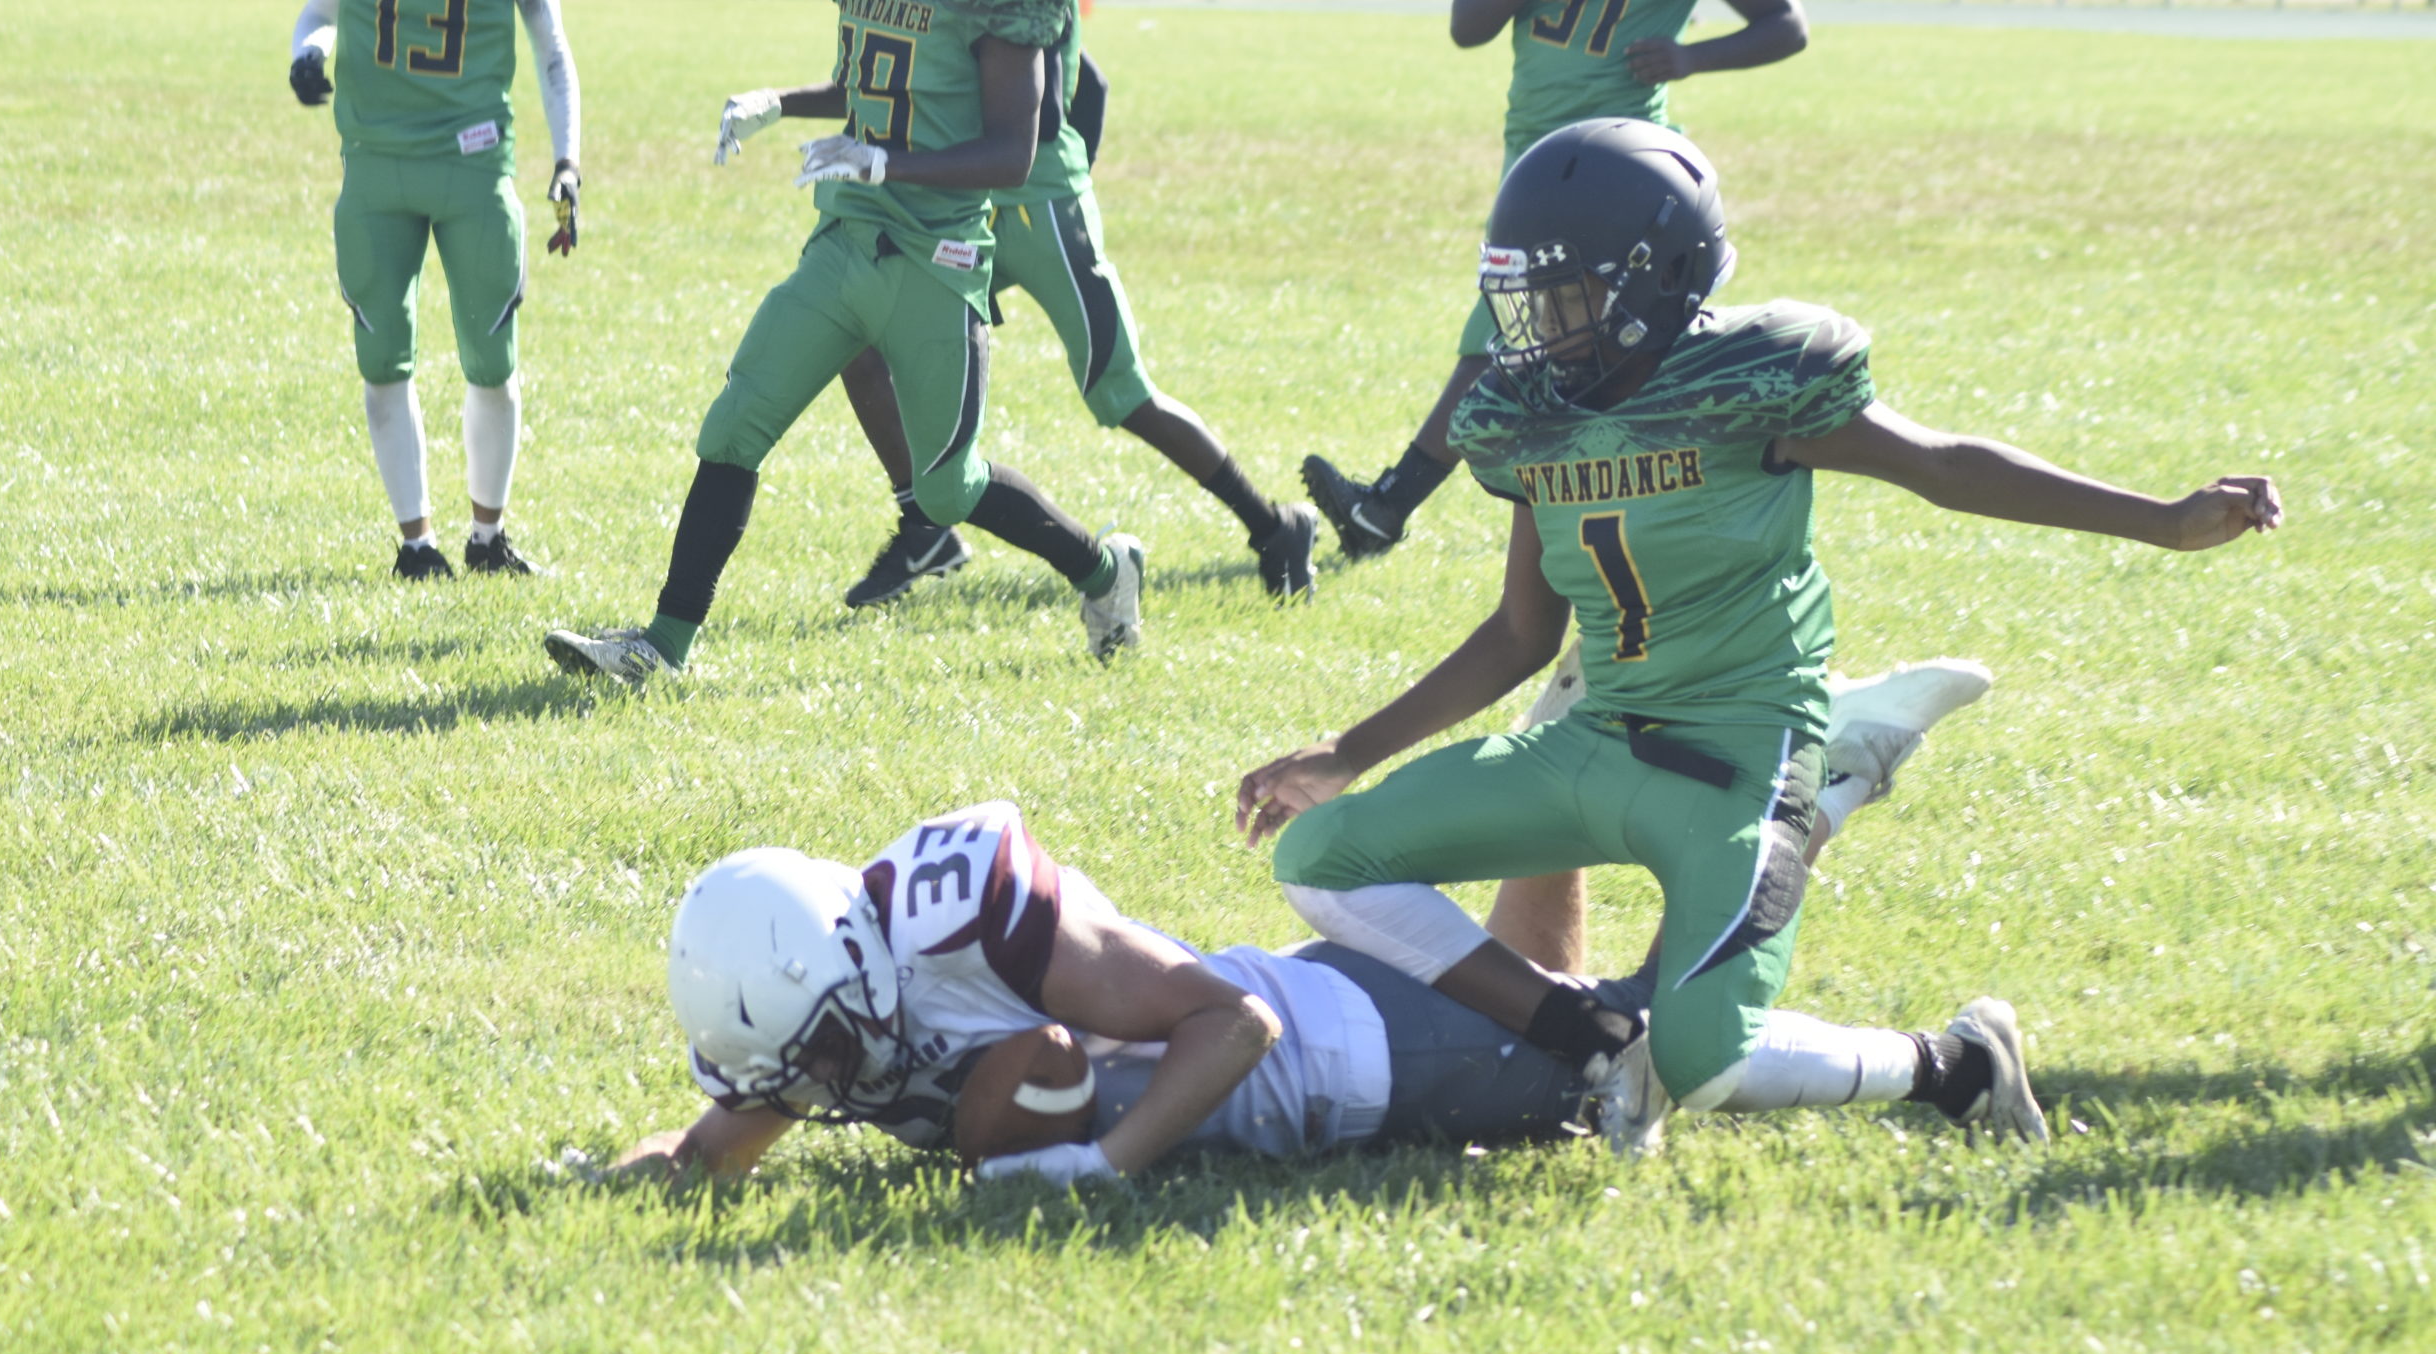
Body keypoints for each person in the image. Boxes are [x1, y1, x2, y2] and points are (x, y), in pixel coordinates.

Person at [1239, 119, 2282, 1154]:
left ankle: (1957, 1063)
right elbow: (1522, 632)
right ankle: (1601, 1042)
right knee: (1323, 857)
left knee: (1711, 1063)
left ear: (1658, 281)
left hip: (1739, 759)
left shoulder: (1751, 383)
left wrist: (2160, 519)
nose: (1542, 330)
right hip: (1595, 743)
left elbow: (1943, 464)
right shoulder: (1528, 412)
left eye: (1569, 299)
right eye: (1530, 299)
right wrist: (1347, 752)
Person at [543, 0, 1146, 685]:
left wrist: (884, 164)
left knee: (948, 489)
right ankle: (662, 646)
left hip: (936, 260)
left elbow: (1012, 153)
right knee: (735, 429)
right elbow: (875, 89)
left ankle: (1104, 571)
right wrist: (777, 102)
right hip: (846, 241)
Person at [611, 800, 1640, 1191]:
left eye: (825, 1059)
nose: (820, 1094)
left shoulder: (970, 917)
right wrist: (611, 1176)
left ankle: (1790, 810)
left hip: (1339, 1063)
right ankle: (1557, 783)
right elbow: (707, 1150)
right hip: (1331, 1024)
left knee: (1653, 1054)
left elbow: (1238, 1025)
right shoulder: (822, 1005)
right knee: (1541, 990)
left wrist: (1098, 1165)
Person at [823, 16, 1320, 608]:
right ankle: (924, 526)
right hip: (960, 207)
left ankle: (1272, 526)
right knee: (860, 336)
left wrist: (1067, 184)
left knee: (1122, 391)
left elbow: (1082, 86)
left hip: (1040, 212)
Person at [1303, 0, 1807, 563]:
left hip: (1620, 161)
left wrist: (1690, 57)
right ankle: (1640, 488)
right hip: (1533, 155)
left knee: (1550, 335)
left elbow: (1786, 25)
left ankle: (1390, 505)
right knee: (1560, 337)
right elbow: (1467, 29)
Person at [288, 0, 581, 580]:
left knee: (493, 360)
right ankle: (416, 545)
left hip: (473, 167)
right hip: (376, 165)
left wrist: (568, 160)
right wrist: (308, 53)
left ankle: (487, 538)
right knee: (382, 360)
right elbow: (317, 12)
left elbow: (553, 48)